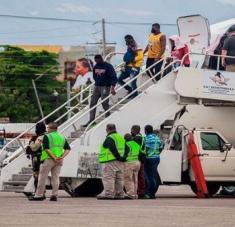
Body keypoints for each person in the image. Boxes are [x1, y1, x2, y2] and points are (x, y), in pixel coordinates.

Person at [29, 122, 70, 201]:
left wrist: (53, 157)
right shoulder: (62, 137)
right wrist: (61, 157)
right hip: (59, 160)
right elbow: (68, 149)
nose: (47, 129)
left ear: (51, 129)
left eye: (48, 128)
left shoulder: (47, 136)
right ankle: (54, 195)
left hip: (48, 159)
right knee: (55, 178)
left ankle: (39, 195)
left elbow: (46, 149)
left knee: (42, 177)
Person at [82, 55, 117, 127]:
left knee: (104, 102)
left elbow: (113, 77)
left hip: (105, 86)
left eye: (98, 60)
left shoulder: (108, 66)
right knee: (92, 102)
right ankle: (92, 120)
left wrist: (112, 87)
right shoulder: (96, 66)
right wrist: (97, 82)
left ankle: (108, 115)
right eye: (96, 61)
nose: (97, 62)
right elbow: (94, 76)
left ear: (101, 59)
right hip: (97, 86)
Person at [97, 123, 126, 199]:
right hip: (120, 161)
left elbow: (112, 148)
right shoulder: (121, 137)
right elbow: (127, 148)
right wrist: (122, 157)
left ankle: (109, 194)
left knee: (109, 177)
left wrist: (118, 157)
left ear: (108, 129)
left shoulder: (110, 138)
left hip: (110, 161)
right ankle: (119, 194)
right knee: (119, 178)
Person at [27, 122, 46, 191]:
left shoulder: (40, 137)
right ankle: (42, 190)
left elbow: (34, 148)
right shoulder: (48, 135)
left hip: (38, 157)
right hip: (47, 157)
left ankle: (39, 190)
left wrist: (31, 141)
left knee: (37, 174)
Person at [144, 125, 161, 199]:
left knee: (149, 177)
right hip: (157, 158)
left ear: (146, 131)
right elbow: (161, 147)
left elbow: (146, 149)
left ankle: (150, 194)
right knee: (153, 176)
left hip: (149, 159)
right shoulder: (157, 138)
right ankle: (152, 193)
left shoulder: (147, 139)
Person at [123, 133, 141, 199]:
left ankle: (130, 194)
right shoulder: (136, 144)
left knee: (128, 179)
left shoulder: (127, 144)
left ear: (125, 139)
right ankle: (135, 194)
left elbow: (124, 154)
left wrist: (122, 159)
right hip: (137, 162)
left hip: (129, 163)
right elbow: (141, 153)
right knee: (135, 179)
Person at [130, 125, 146, 199]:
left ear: (134, 130)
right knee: (141, 176)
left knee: (136, 177)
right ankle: (141, 192)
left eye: (131, 130)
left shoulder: (136, 138)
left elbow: (132, 148)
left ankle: (138, 192)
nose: (131, 131)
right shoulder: (142, 137)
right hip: (142, 158)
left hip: (137, 158)